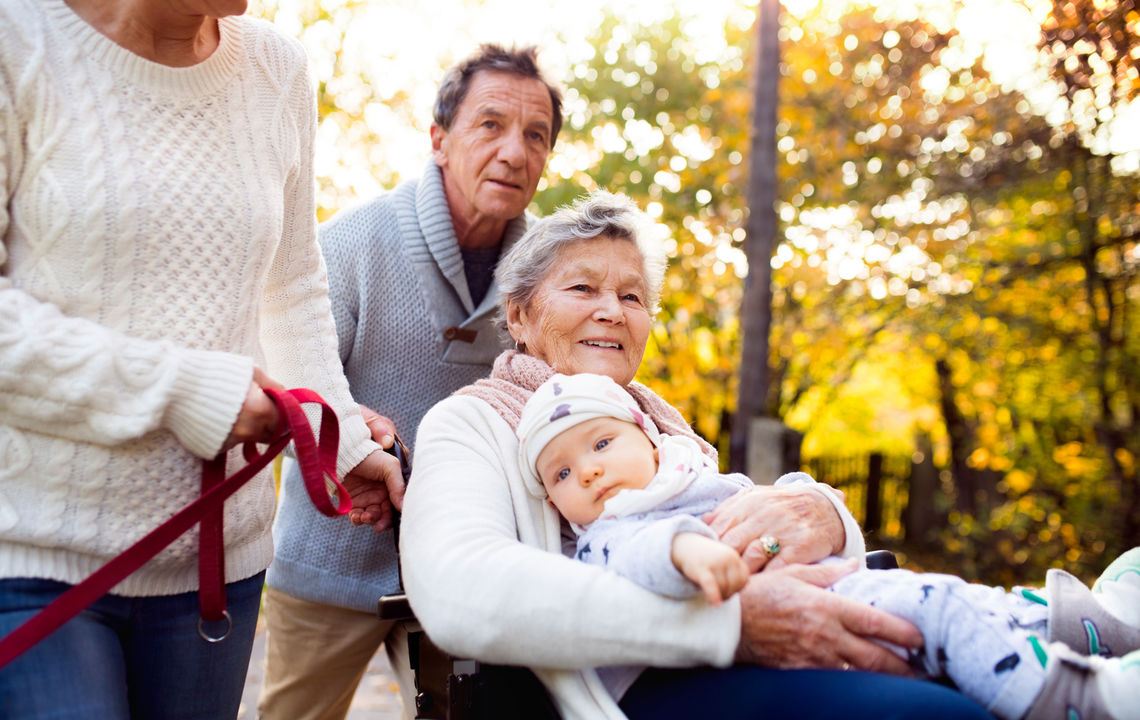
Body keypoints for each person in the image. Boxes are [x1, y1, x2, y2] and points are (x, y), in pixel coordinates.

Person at [395, 189, 1007, 719]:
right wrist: (728, 628)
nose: (612, 310)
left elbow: (733, 511)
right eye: (583, 287)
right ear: (519, 314)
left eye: (632, 298)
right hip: (624, 691)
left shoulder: (661, 427)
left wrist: (824, 513)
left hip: (763, 656)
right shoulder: (471, 421)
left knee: (988, 681)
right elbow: (458, 588)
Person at [0, 1, 404, 717]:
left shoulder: (278, 68)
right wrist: (187, 391)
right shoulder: (18, 39)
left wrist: (338, 440)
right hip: (31, 554)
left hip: (216, 564)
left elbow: (292, 289)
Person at [516, 370, 1140, 720]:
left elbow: (773, 495)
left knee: (957, 602)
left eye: (600, 445)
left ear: (650, 442)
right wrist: (688, 551)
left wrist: (808, 500)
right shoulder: (609, 531)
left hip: (842, 582)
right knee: (941, 610)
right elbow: (635, 559)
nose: (589, 473)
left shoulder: (689, 477)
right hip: (808, 614)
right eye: (562, 474)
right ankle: (1072, 698)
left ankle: (1080, 623)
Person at [259, 43, 563, 720]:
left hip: (466, 568)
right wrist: (343, 442)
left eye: (535, 136)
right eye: (490, 124)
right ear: (439, 139)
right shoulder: (346, 244)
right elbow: (278, 395)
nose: (514, 151)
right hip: (329, 563)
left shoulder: (550, 272)